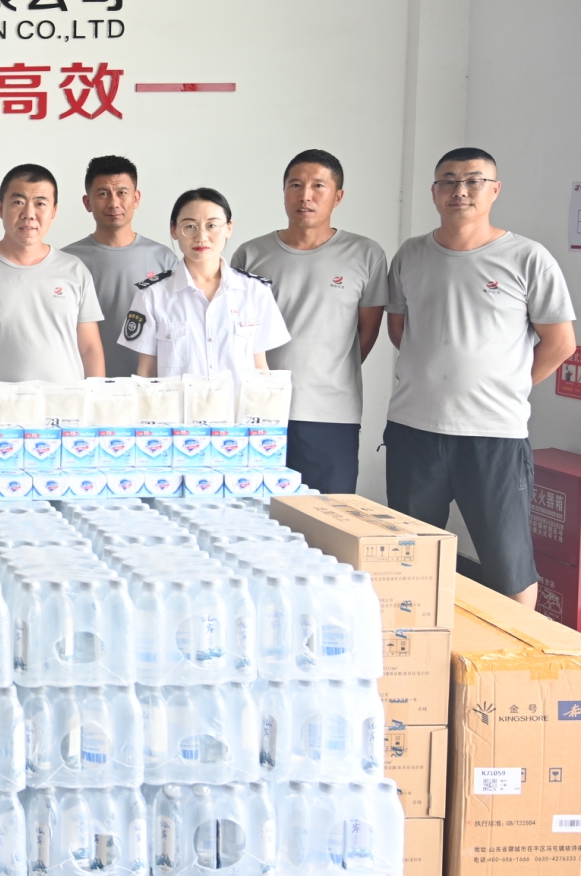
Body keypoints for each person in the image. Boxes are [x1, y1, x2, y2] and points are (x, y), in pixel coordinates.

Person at [384, 147, 576, 608]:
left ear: (495, 190)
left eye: (473, 180)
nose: (461, 190)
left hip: (494, 435)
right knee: (410, 558)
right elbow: (400, 329)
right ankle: (420, 643)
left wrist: (510, 385)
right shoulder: (410, 254)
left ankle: (515, 654)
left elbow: (560, 343)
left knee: (509, 566)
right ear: (434, 192)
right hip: (414, 430)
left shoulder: (528, 257)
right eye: (449, 181)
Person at [231, 149, 387, 493]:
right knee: (255, 511)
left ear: (338, 196)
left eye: (318, 185)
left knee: (329, 513)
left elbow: (367, 333)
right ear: (284, 191)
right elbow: (238, 334)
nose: (305, 195)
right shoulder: (251, 254)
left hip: (332, 414)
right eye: (295, 185)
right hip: (259, 411)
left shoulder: (366, 254)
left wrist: (326, 373)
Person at [0, 164, 104, 383]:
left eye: (40, 203)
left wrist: (95, 398)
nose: (29, 214)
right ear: (0, 208)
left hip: (66, 402)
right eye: (18, 202)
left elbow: (90, 349)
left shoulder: (75, 270)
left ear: (53, 212)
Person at [121, 188, 290, 380]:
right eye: (190, 226)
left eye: (212, 225)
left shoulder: (255, 291)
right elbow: (147, 373)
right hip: (179, 401)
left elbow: (260, 367)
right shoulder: (151, 295)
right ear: (174, 229)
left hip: (238, 401)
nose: (201, 236)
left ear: (229, 228)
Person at [62, 156, 175, 378]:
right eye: (103, 194)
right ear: (87, 202)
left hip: (149, 384)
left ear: (136, 198)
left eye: (122, 192)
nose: (114, 203)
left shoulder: (164, 259)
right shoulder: (67, 261)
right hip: (84, 384)